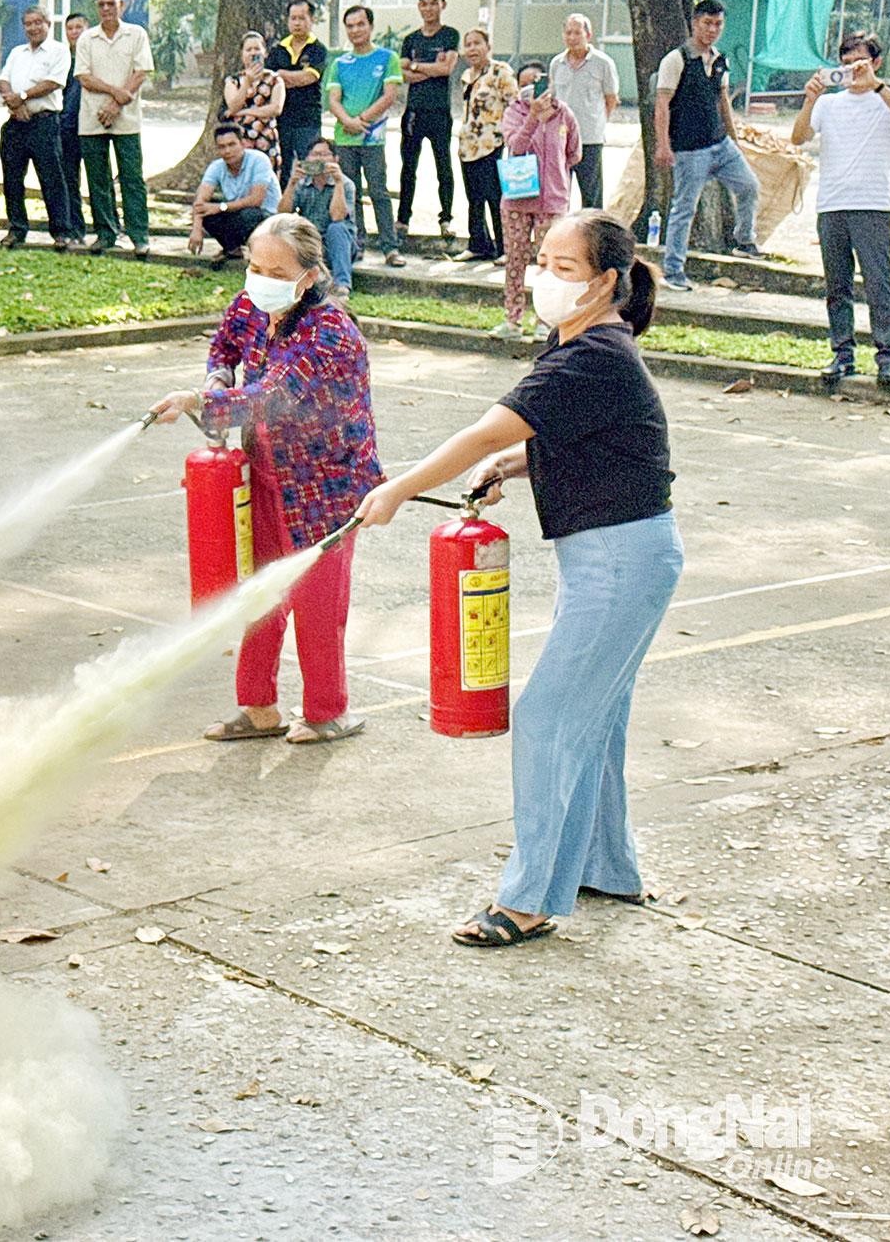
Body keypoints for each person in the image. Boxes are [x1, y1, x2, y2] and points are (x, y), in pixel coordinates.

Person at [357, 211, 680, 948]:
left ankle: (531, 898)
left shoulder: (595, 353)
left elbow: (485, 428)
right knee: (594, 718)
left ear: (605, 283)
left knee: (548, 717)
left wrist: (401, 487)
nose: (544, 277)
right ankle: (608, 866)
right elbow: (583, 441)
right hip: (607, 555)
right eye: (542, 259)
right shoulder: (582, 343)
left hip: (622, 561)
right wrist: (515, 464)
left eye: (564, 269)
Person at [148, 213, 381, 745]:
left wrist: (199, 402)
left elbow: (270, 396)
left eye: (276, 271)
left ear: (308, 275)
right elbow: (226, 345)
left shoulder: (330, 334)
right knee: (260, 591)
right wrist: (216, 376)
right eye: (255, 266)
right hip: (266, 471)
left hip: (325, 486)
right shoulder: (252, 307)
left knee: (316, 600)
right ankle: (257, 708)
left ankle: (327, 711)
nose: (261, 279)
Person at [792, 32, 890, 393]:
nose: (852, 69)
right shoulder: (829, 104)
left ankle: (888, 357)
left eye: (860, 62)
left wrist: (877, 85)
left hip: (873, 202)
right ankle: (842, 352)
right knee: (838, 285)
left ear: (876, 62)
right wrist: (810, 99)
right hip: (832, 203)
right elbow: (798, 137)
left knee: (880, 283)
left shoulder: (886, 97)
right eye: (846, 62)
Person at [654, 0, 762, 291]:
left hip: (720, 142)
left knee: (749, 186)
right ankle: (674, 270)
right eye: (707, 23)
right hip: (689, 147)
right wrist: (663, 145)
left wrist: (735, 140)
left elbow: (723, 101)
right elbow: (662, 103)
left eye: (718, 24)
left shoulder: (720, 60)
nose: (712, 29)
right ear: (695, 23)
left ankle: (744, 239)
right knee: (684, 208)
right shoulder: (676, 60)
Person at [496, 61, 581, 340]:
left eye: (539, 82)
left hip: (552, 201)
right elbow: (516, 147)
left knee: (551, 265)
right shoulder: (514, 112)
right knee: (516, 260)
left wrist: (555, 177)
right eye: (527, 83)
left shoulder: (564, 113)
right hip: (518, 200)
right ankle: (513, 319)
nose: (534, 89)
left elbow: (574, 153)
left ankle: (546, 320)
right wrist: (533, 117)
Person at [76, 0, 154, 259]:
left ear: (121, 4)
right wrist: (114, 94)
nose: (106, 9)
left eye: (112, 3)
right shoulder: (87, 38)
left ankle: (139, 235)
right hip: (92, 118)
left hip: (127, 119)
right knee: (98, 179)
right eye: (101, 4)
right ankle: (106, 233)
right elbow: (83, 77)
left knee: (132, 178)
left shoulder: (136, 34)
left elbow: (141, 72)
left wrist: (118, 103)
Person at [326, 5, 404, 267]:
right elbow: (334, 100)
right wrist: (347, 121)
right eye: (350, 25)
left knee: (379, 192)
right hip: (345, 138)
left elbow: (389, 96)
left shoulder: (387, 58)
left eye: (360, 24)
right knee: (351, 192)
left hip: (373, 138)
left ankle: (390, 247)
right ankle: (355, 244)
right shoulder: (339, 63)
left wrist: (361, 121)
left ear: (370, 26)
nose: (355, 30)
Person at [0, 4, 71, 250]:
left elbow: (54, 82)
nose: (33, 28)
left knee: (52, 178)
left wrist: (24, 96)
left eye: (38, 22)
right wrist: (15, 104)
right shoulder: (17, 52)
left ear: (48, 24)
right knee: (12, 179)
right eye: (28, 23)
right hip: (16, 122)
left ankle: (60, 231)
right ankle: (17, 228)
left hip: (44, 122)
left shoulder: (59, 51)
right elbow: (3, 80)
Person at [397, 0, 459, 248]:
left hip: (440, 111)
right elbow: (402, 72)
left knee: (443, 167)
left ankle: (446, 219)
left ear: (442, 5)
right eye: (424, 3)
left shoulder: (450, 35)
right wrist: (426, 69)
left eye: (434, 3)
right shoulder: (411, 39)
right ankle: (402, 219)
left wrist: (417, 66)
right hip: (413, 111)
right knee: (408, 168)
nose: (428, 8)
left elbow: (446, 69)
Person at [455, 27, 516, 264]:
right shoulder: (467, 75)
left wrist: (511, 135)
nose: (472, 48)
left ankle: (505, 248)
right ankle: (478, 244)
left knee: (495, 197)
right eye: (468, 44)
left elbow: (514, 104)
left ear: (488, 47)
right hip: (469, 144)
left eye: (477, 43)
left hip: (494, 142)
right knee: (474, 197)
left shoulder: (500, 71)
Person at [550, 13, 620, 208]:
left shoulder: (603, 63)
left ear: (588, 35)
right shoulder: (557, 64)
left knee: (591, 194)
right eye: (568, 32)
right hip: (561, 137)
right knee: (559, 193)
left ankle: (593, 236)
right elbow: (553, 98)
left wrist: (598, 122)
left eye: (577, 33)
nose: (572, 37)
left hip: (590, 137)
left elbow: (611, 98)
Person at [187, 123, 278, 267]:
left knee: (248, 215)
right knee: (209, 214)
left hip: (267, 216)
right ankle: (232, 250)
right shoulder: (216, 167)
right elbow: (201, 201)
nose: (227, 151)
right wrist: (196, 230)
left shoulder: (259, 160)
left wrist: (221, 207)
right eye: (222, 147)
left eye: (232, 144)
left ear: (243, 144)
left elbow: (256, 200)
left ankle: (261, 255)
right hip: (237, 211)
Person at [264, 0, 329, 183]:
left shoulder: (318, 50)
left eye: (302, 18)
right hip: (282, 119)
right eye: (293, 18)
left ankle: (313, 206)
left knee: (311, 165)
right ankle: (284, 208)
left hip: (308, 120)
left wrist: (282, 75)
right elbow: (269, 79)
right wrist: (292, 77)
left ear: (312, 20)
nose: (297, 23)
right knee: (283, 167)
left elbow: (309, 77)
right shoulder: (278, 50)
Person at [286, 136, 356, 300]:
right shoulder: (302, 183)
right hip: (312, 244)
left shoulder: (346, 184)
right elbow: (283, 213)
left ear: (335, 159)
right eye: (315, 154)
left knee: (336, 228)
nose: (320, 159)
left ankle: (342, 285)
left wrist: (337, 182)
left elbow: (338, 217)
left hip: (340, 245)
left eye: (325, 155)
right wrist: (291, 183)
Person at [221, 31, 285, 167]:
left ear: (265, 53)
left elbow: (276, 108)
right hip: (240, 140)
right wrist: (247, 82)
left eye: (257, 49)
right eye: (248, 50)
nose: (253, 53)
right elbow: (233, 107)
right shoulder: (233, 81)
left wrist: (244, 112)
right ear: (242, 54)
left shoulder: (275, 80)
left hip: (266, 139)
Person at [54, 12, 90, 250]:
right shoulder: (62, 58)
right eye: (70, 28)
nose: (74, 32)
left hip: (92, 124)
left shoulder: (92, 56)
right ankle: (74, 226)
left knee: (99, 178)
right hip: (66, 127)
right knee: (69, 178)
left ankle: (109, 226)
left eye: (79, 27)